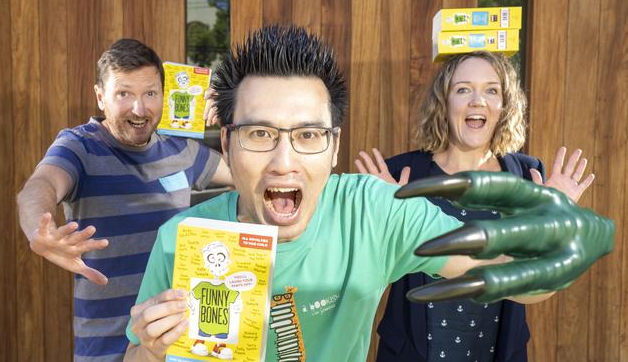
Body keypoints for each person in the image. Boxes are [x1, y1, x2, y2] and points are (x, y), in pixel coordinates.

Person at [122, 26, 612, 362]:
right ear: (227, 142)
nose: (284, 161)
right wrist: (149, 347)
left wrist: (561, 246)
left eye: (308, 135)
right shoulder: (182, 238)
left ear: (334, 146)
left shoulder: (373, 213)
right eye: (259, 133)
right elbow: (135, 357)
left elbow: (518, 279)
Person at [354, 51, 594, 362]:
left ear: (504, 106)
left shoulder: (527, 175)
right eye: (463, 89)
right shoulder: (400, 174)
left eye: (491, 90)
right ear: (444, 102)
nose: (477, 100)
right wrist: (381, 217)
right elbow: (366, 273)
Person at [17, 38, 232, 362]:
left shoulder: (181, 149)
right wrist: (39, 230)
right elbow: (39, 186)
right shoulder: (79, 146)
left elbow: (249, 174)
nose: (139, 109)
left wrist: (233, 116)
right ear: (100, 97)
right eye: (124, 94)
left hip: (170, 347)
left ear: (164, 94)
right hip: (104, 350)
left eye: (150, 93)